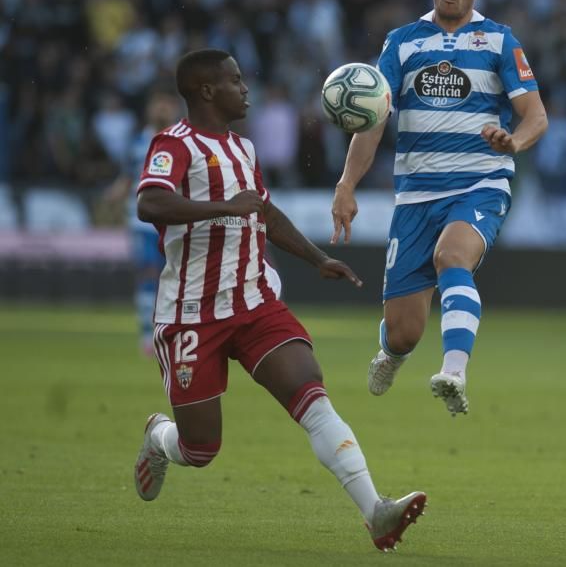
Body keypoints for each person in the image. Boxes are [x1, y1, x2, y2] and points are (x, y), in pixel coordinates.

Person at [132, 49, 425, 552]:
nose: (245, 89)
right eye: (235, 81)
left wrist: (316, 258)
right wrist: (224, 206)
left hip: (254, 302)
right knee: (201, 449)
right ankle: (160, 438)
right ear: (207, 91)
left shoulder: (243, 149)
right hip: (190, 315)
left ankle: (376, 512)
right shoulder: (173, 145)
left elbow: (262, 212)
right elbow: (149, 202)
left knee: (310, 392)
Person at [330, 0, 548, 416]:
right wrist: (347, 184)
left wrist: (514, 142)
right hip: (415, 195)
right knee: (406, 329)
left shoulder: (500, 41)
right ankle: (391, 352)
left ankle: (453, 371)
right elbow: (373, 118)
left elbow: (535, 117)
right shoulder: (402, 42)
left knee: (453, 255)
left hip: (480, 183)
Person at [103, 89, 179, 356]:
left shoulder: (181, 141)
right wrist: (113, 197)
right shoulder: (138, 142)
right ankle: (147, 337)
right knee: (148, 275)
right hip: (142, 224)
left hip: (173, 225)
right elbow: (126, 179)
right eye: (157, 104)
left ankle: (170, 333)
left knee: (173, 281)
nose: (161, 109)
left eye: (165, 104)